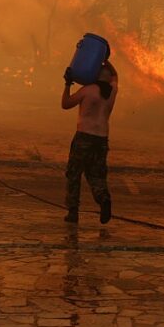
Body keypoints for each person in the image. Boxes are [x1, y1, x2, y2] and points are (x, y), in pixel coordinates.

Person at [61, 60, 118, 224]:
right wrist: (107, 60)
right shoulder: (112, 91)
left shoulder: (87, 90)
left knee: (74, 173)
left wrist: (67, 84)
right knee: (97, 175)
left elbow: (65, 104)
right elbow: (116, 75)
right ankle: (103, 199)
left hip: (84, 137)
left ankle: (73, 212)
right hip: (101, 139)